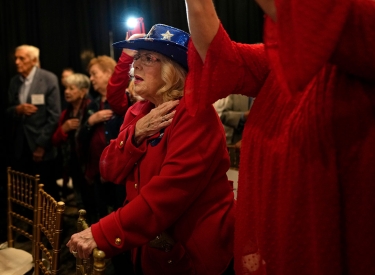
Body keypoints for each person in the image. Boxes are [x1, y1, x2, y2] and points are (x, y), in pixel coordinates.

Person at [184, 0, 375, 274]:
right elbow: (218, 54)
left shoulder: (362, 27)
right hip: (275, 236)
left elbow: (312, 13)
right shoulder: (282, 59)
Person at [67, 24, 235, 275]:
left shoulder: (195, 114)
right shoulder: (138, 112)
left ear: (173, 70)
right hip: (150, 250)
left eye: (148, 58)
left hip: (193, 256)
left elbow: (168, 194)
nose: (135, 66)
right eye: (137, 58)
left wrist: (102, 232)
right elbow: (108, 169)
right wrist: (134, 135)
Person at [6, 44, 61, 200]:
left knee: (46, 190)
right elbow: (8, 110)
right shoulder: (14, 82)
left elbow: (54, 115)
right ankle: (30, 222)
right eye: (15, 58)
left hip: (41, 146)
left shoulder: (49, 79)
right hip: (19, 145)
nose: (16, 62)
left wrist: (41, 145)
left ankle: (53, 224)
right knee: (26, 190)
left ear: (34, 60)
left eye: (21, 58)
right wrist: (18, 109)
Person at [77, 55, 124, 223]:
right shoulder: (92, 104)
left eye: (94, 74)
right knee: (101, 215)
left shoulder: (123, 101)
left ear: (108, 73)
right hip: (96, 171)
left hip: (119, 173)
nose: (91, 79)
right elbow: (80, 136)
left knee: (119, 214)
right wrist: (91, 121)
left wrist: (110, 168)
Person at [52, 73, 90, 209]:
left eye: (71, 88)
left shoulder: (91, 108)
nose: (67, 92)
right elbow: (55, 140)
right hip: (72, 165)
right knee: (80, 204)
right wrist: (64, 128)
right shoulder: (65, 113)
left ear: (83, 91)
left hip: (89, 165)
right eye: (66, 88)